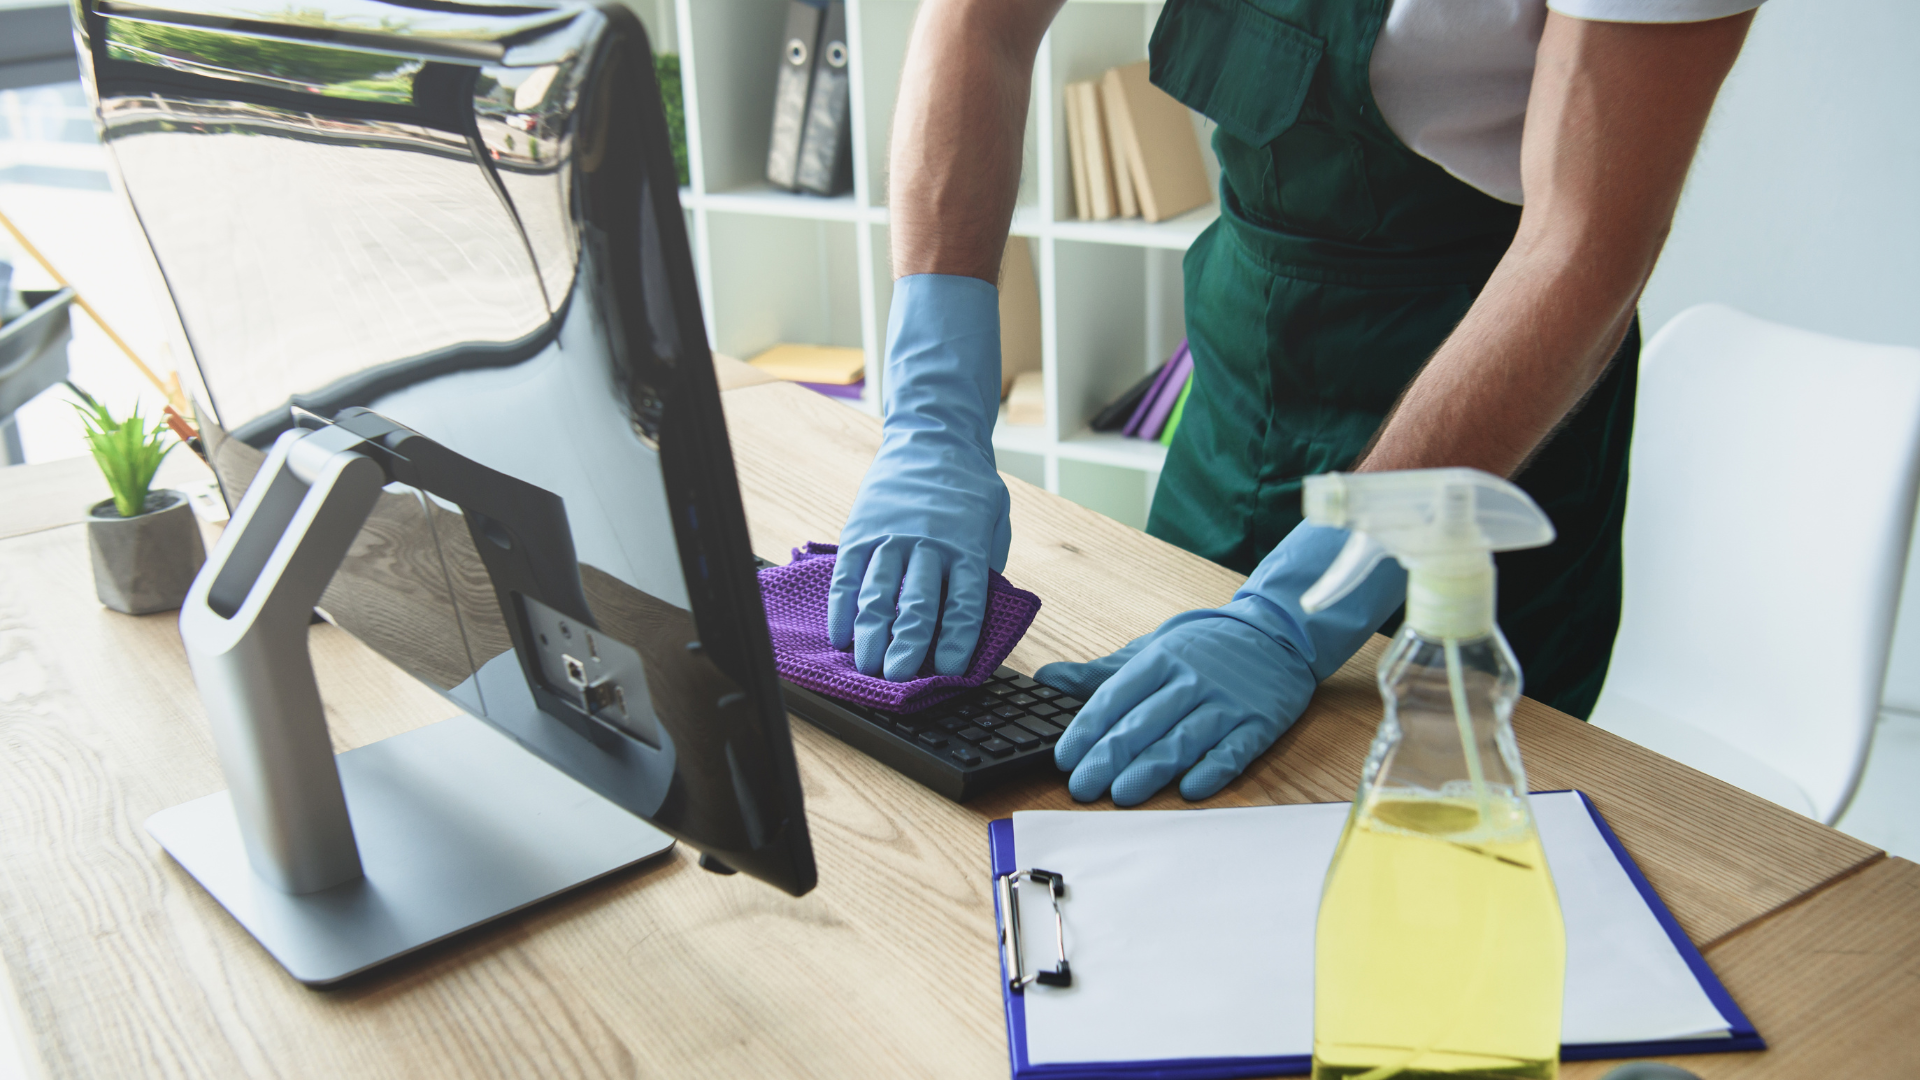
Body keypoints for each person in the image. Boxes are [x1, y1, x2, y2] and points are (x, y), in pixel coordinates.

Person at [828, 0, 1759, 805]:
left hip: (1482, 422)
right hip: (1244, 378)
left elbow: (1585, 245)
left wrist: (1312, 597)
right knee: (1141, 806)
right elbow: (977, 22)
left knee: (1429, 869)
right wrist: (932, 417)